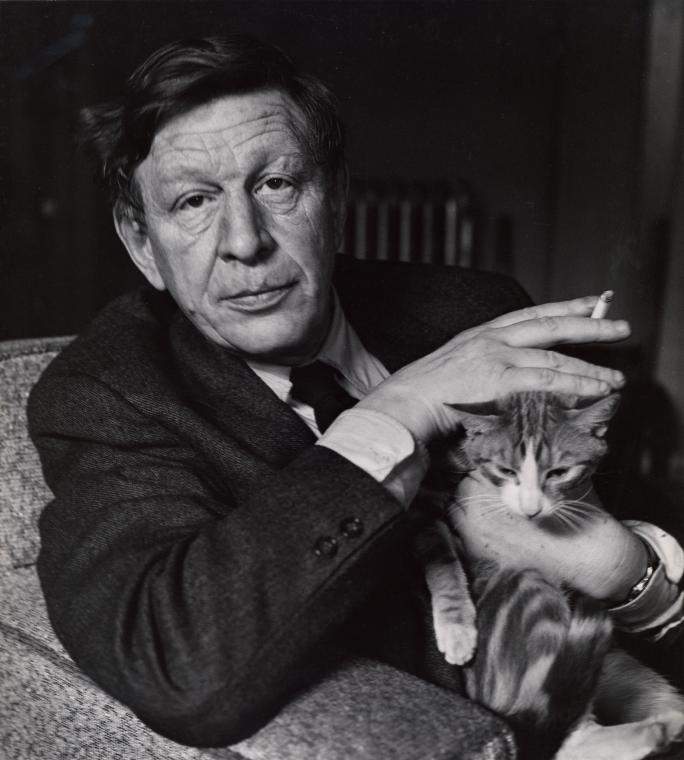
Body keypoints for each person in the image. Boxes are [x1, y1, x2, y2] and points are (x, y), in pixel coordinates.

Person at [28, 35, 683, 748]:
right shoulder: (108, 395)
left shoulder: (476, 309)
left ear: (336, 197)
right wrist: (399, 409)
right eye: (194, 201)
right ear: (141, 243)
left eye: (277, 185)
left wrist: (628, 572)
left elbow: (626, 523)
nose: (245, 241)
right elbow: (176, 667)